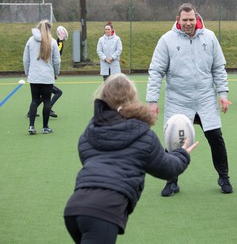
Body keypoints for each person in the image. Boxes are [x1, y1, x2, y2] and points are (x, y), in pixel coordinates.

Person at [64, 73, 199, 244]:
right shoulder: (143, 135)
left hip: (75, 208)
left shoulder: (90, 132)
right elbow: (167, 169)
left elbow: (86, 157)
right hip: (103, 212)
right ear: (133, 99)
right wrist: (182, 153)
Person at [146, 3, 233, 196]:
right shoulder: (166, 40)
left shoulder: (209, 37)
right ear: (178, 20)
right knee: (173, 143)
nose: (188, 23)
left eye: (191, 19)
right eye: (184, 20)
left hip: (205, 99)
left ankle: (224, 177)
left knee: (216, 139)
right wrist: (152, 101)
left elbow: (218, 67)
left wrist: (223, 94)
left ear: (197, 18)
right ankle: (171, 181)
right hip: (178, 100)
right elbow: (156, 71)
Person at [23, 19, 61, 134]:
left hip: (34, 75)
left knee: (34, 100)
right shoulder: (53, 41)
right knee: (46, 101)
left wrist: (27, 72)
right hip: (47, 76)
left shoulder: (30, 40)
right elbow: (56, 61)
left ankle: (31, 126)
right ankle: (45, 127)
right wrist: (56, 72)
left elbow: (26, 59)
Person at [25, 26, 67, 118]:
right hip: (45, 76)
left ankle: (31, 112)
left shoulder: (44, 42)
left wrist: (60, 41)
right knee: (58, 92)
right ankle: (49, 108)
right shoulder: (50, 42)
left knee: (40, 96)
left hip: (39, 75)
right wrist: (60, 40)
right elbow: (57, 55)